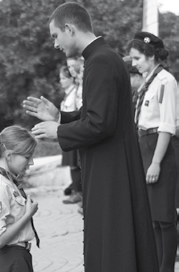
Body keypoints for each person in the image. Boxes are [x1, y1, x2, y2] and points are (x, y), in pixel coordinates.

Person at [23, 2, 159, 272]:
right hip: (113, 166)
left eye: (55, 36)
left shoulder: (99, 62)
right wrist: (60, 117)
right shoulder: (104, 58)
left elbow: (100, 125)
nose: (54, 44)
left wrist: (58, 132)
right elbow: (95, 115)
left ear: (69, 29)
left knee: (114, 245)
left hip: (111, 171)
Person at [128, 31, 178, 272]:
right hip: (144, 146)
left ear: (150, 55)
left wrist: (156, 162)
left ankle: (166, 267)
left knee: (165, 217)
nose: (134, 63)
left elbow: (168, 125)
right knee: (154, 218)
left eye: (137, 58)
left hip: (159, 148)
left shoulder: (166, 81)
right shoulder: (148, 82)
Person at [0, 125, 39, 272]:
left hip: (17, 259)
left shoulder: (6, 181)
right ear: (9, 155)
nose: (31, 162)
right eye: (27, 156)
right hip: (11, 261)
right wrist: (27, 215)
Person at [59, 65, 82, 205]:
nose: (61, 81)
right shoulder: (70, 93)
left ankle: (78, 192)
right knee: (72, 164)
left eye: (63, 78)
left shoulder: (75, 93)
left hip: (72, 131)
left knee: (75, 164)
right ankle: (75, 190)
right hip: (67, 131)